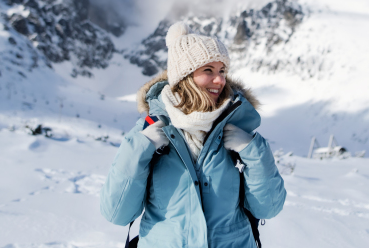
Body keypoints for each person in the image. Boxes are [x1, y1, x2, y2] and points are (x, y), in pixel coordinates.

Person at [100, 22, 286, 248]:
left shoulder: (238, 127)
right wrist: (140, 147)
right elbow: (117, 213)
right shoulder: (149, 130)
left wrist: (254, 151)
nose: (219, 80)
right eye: (208, 70)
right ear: (184, 77)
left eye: (222, 71)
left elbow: (268, 208)